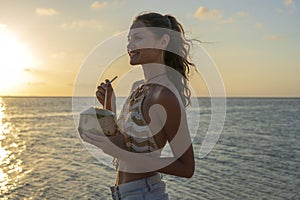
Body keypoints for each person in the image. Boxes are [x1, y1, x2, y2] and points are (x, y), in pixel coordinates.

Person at [80, 12, 195, 200]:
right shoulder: (138, 87)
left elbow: (186, 167)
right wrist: (110, 106)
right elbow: (126, 146)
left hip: (145, 193)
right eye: (129, 39)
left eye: (138, 38)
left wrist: (116, 152)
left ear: (163, 41)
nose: (129, 45)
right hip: (122, 193)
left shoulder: (164, 96)